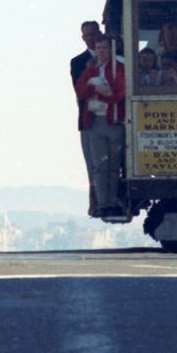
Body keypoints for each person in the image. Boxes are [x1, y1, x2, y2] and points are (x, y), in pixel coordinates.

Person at [75, 35, 127, 218]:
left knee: (113, 165)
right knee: (99, 165)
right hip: (95, 122)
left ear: (111, 50)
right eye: (98, 48)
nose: (101, 51)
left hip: (113, 122)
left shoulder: (119, 69)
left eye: (104, 48)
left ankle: (112, 201)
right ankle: (102, 203)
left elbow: (119, 92)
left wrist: (103, 92)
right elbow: (81, 90)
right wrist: (97, 88)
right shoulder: (90, 71)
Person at [70, 21, 101, 215]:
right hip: (89, 118)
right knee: (93, 164)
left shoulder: (115, 57)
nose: (90, 39)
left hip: (113, 117)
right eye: (86, 36)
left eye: (93, 34)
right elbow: (80, 90)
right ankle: (95, 202)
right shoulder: (78, 62)